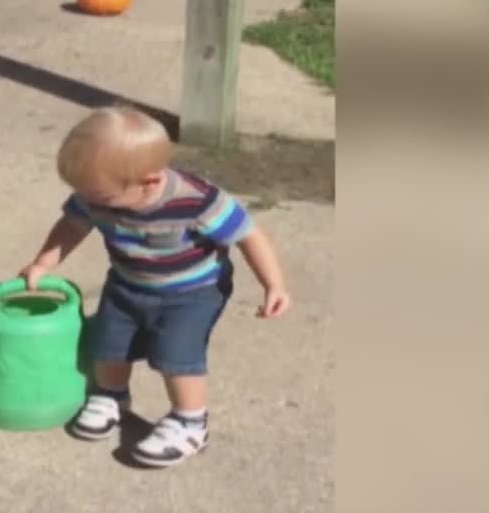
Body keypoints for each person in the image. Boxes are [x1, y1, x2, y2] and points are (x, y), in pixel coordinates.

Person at [18, 106, 291, 468]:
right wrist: (44, 262)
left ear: (149, 180)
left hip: (192, 294)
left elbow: (250, 236)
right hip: (127, 282)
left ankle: (190, 422)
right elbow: (72, 224)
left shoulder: (197, 201)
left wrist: (274, 285)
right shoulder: (95, 192)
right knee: (108, 344)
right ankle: (111, 395)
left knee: (177, 357)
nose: (92, 203)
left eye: (101, 199)